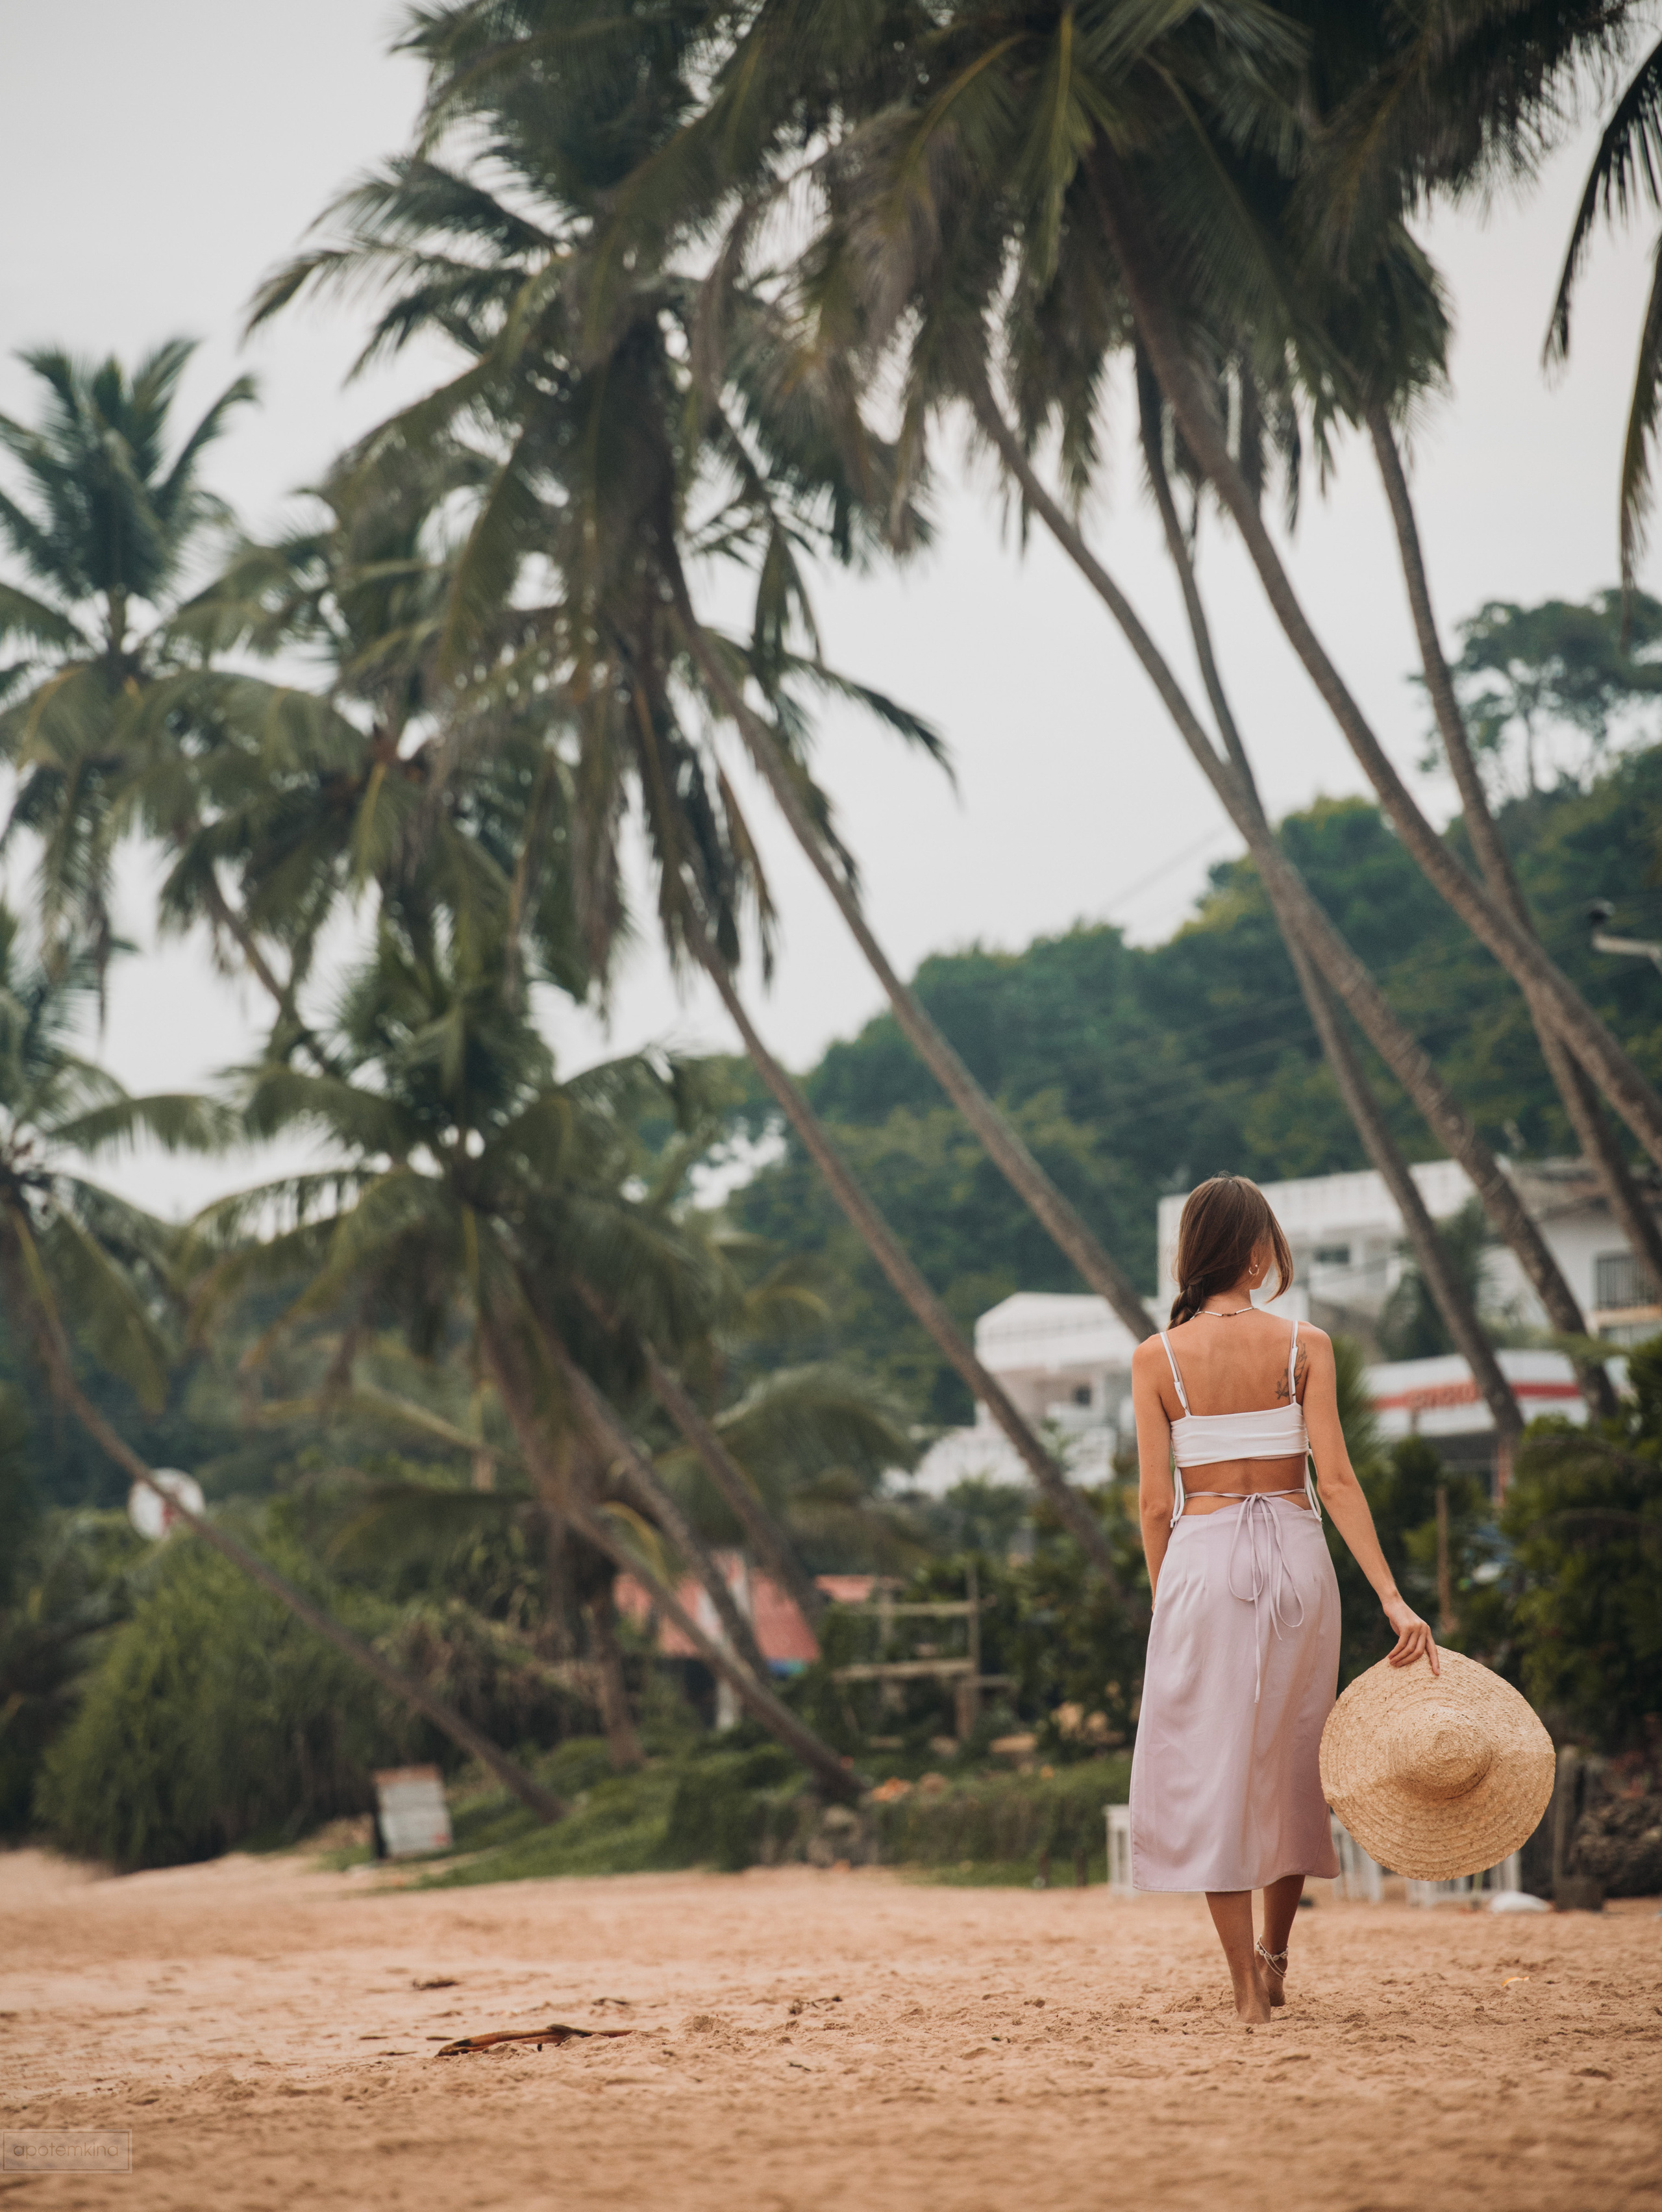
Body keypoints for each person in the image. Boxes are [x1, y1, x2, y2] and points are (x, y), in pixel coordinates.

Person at [1128, 1173, 1437, 2024]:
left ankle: (1241, 1992)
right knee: (1294, 1756)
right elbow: (1335, 1480)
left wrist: (1170, 1607)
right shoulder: (1309, 1344)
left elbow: (1157, 1505)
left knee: (1212, 1769)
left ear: (1192, 1252)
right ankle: (1276, 1957)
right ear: (1260, 1250)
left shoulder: (1156, 1358)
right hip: (1299, 1555)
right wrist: (1392, 1598)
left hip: (1201, 1563)